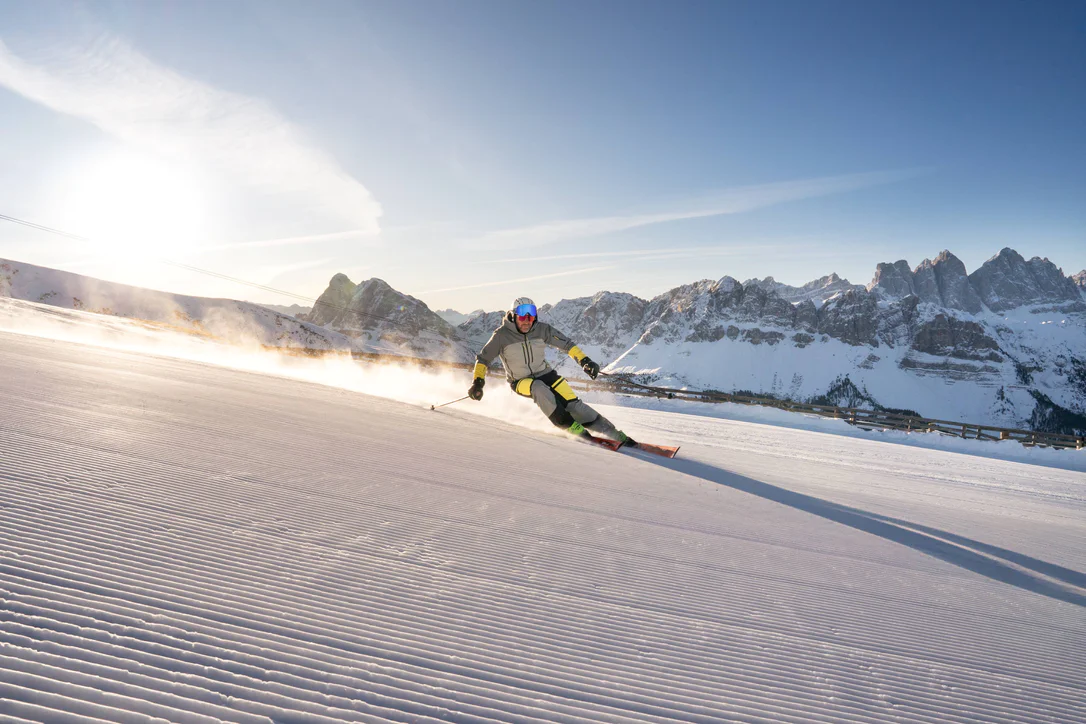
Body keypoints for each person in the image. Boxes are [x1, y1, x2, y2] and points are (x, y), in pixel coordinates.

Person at [468, 297, 637, 447]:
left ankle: (614, 433)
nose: (527, 320)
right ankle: (571, 427)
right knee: (539, 388)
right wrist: (478, 382)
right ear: (513, 316)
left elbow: (567, 344)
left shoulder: (542, 330)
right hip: (520, 381)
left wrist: (584, 361)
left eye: (531, 316)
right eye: (522, 316)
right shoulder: (501, 336)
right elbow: (483, 359)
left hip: (546, 374)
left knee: (575, 405)